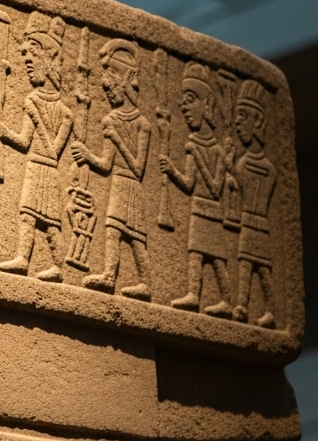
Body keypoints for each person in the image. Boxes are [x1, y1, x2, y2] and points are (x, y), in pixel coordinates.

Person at [0, 12, 73, 282]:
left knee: (51, 224)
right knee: (26, 215)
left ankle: (60, 266)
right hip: (33, 167)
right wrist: (4, 133)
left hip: (48, 170)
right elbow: (25, 141)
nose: (27, 63)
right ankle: (23, 259)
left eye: (33, 57)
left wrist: (37, 114)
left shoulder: (64, 113)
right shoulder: (31, 98)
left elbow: (52, 150)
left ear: (50, 58)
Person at [70, 38, 153, 299]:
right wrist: (87, 156)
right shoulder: (109, 119)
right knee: (112, 229)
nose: (106, 87)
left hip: (131, 185)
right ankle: (109, 275)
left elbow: (139, 167)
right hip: (117, 182)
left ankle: (146, 283)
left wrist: (117, 137)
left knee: (137, 239)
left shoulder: (142, 124)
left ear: (127, 80)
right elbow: (106, 165)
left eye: (112, 80)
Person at [159, 61, 234, 317]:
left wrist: (198, 156)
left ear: (207, 104)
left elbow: (214, 187)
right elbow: (189, 183)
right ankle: (194, 295)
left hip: (211, 210)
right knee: (196, 254)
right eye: (183, 100)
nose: (184, 107)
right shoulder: (193, 143)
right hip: (197, 209)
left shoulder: (217, 151)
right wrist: (171, 170)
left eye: (190, 100)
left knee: (216, 259)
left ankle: (227, 300)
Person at [230, 79, 278, 328]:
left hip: (257, 221)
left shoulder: (265, 168)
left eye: (242, 116)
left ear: (257, 121)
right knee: (247, 263)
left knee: (260, 268)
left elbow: (247, 189)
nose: (237, 123)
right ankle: (242, 305)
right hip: (249, 220)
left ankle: (268, 308)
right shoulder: (245, 164)